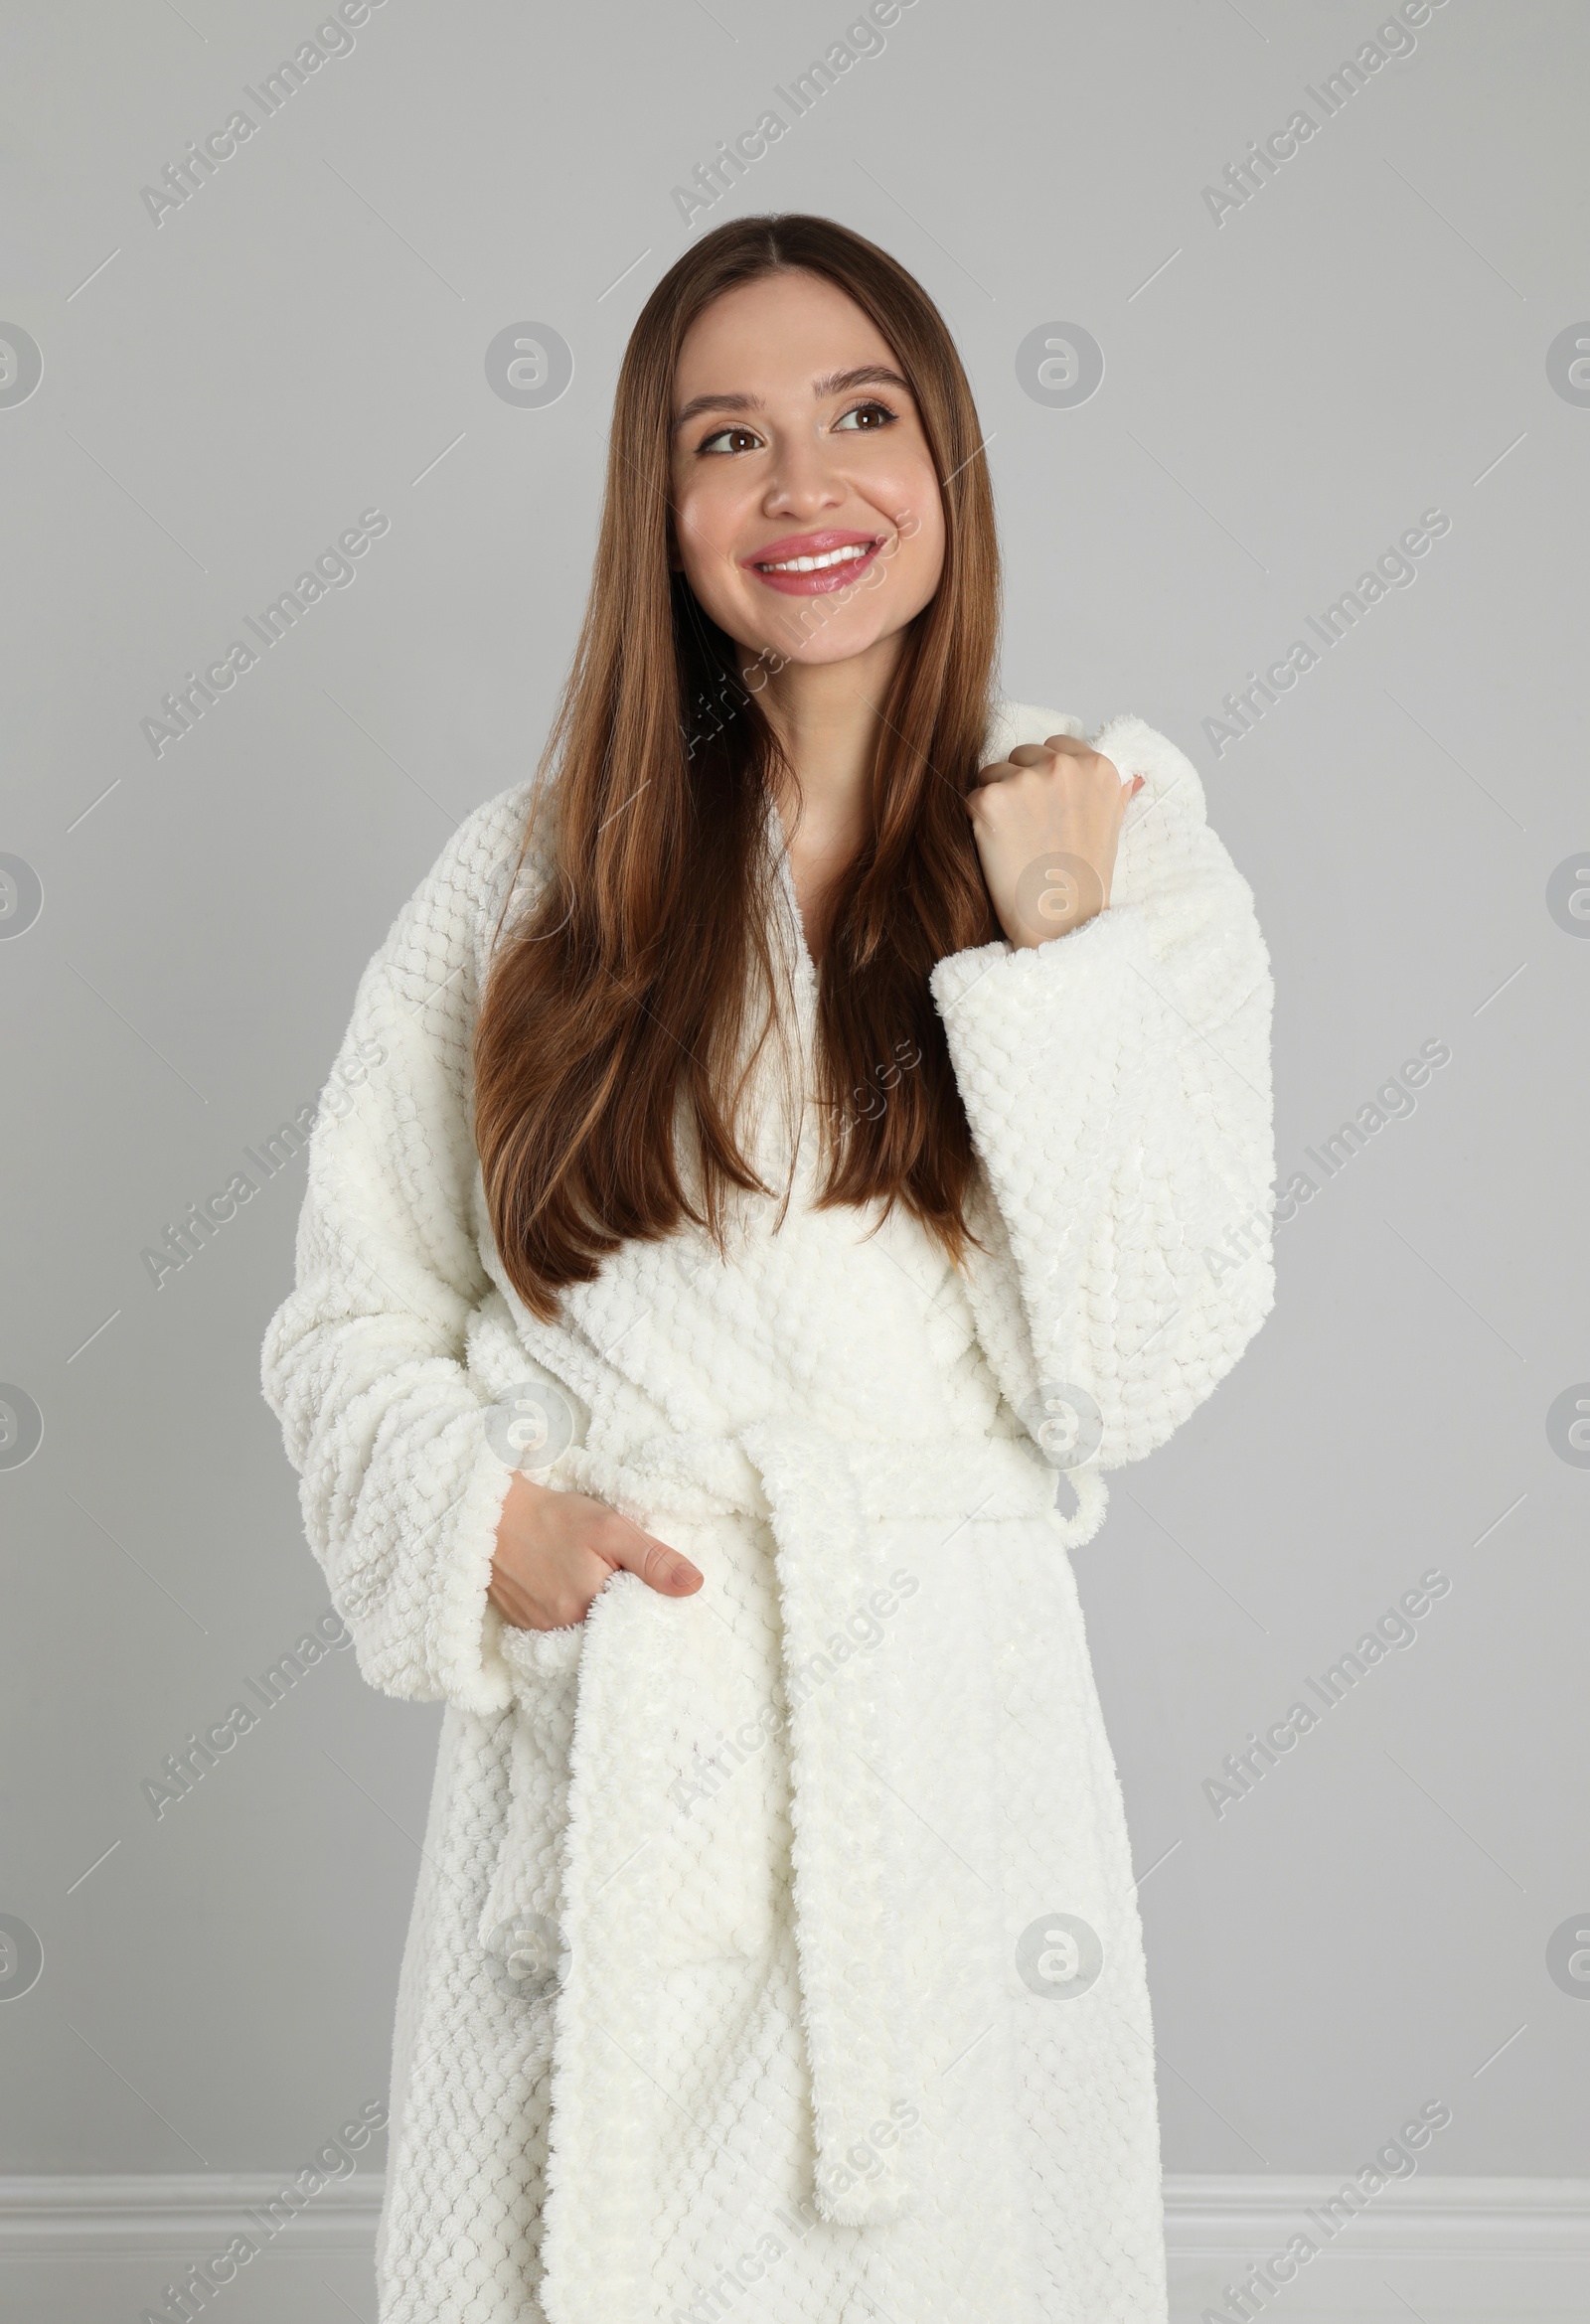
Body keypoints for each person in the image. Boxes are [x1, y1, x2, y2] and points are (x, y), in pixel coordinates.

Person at [261, 211, 1275, 2324]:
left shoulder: (1107, 832)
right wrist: (485, 1525)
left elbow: (1142, 1357)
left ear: (948, 461)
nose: (800, 484)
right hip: (617, 1742)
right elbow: (351, 1300)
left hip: (938, 1746)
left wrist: (1058, 947)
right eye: (726, 437)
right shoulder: (532, 877)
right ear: (661, 507)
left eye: (859, 415)